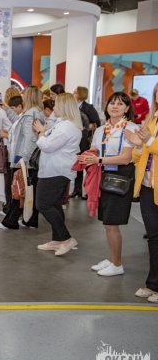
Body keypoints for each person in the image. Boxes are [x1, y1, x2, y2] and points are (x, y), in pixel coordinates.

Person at [77, 92, 137, 276]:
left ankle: (117, 264)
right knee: (107, 223)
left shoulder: (131, 128)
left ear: (127, 108)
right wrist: (88, 156)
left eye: (120, 104)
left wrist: (99, 160)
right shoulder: (102, 129)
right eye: (112, 103)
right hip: (104, 175)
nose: (115, 106)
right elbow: (95, 149)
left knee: (112, 223)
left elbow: (126, 158)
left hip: (121, 176)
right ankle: (111, 259)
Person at [33, 93, 82, 255]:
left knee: (43, 204)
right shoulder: (63, 124)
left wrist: (41, 133)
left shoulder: (67, 127)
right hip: (54, 169)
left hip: (56, 171)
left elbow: (47, 146)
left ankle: (66, 238)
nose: (54, 108)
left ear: (64, 107)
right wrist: (43, 132)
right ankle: (57, 239)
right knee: (53, 204)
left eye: (56, 105)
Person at [126, 82, 158, 302]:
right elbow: (141, 157)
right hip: (148, 187)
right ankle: (153, 283)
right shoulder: (152, 120)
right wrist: (138, 146)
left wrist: (148, 141)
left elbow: (153, 145)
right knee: (153, 237)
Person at [0, 85, 45, 229]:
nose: (22, 96)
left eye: (24, 94)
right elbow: (18, 122)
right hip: (27, 158)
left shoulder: (31, 115)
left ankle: (10, 221)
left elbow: (30, 139)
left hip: (25, 159)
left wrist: (23, 158)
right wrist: (7, 109)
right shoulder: (32, 113)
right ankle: (30, 220)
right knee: (28, 189)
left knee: (19, 189)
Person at [0, 87, 21, 215]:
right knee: (18, 178)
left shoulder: (3, 112)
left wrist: (5, 134)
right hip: (19, 149)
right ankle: (17, 207)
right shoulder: (22, 112)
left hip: (9, 149)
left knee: (9, 179)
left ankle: (8, 206)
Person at [71, 86, 101, 199]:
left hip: (86, 142)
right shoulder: (73, 107)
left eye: (75, 92)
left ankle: (89, 191)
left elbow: (97, 123)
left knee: (88, 167)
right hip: (76, 141)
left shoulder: (89, 108)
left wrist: (88, 126)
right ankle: (77, 190)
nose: (73, 94)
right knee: (78, 166)